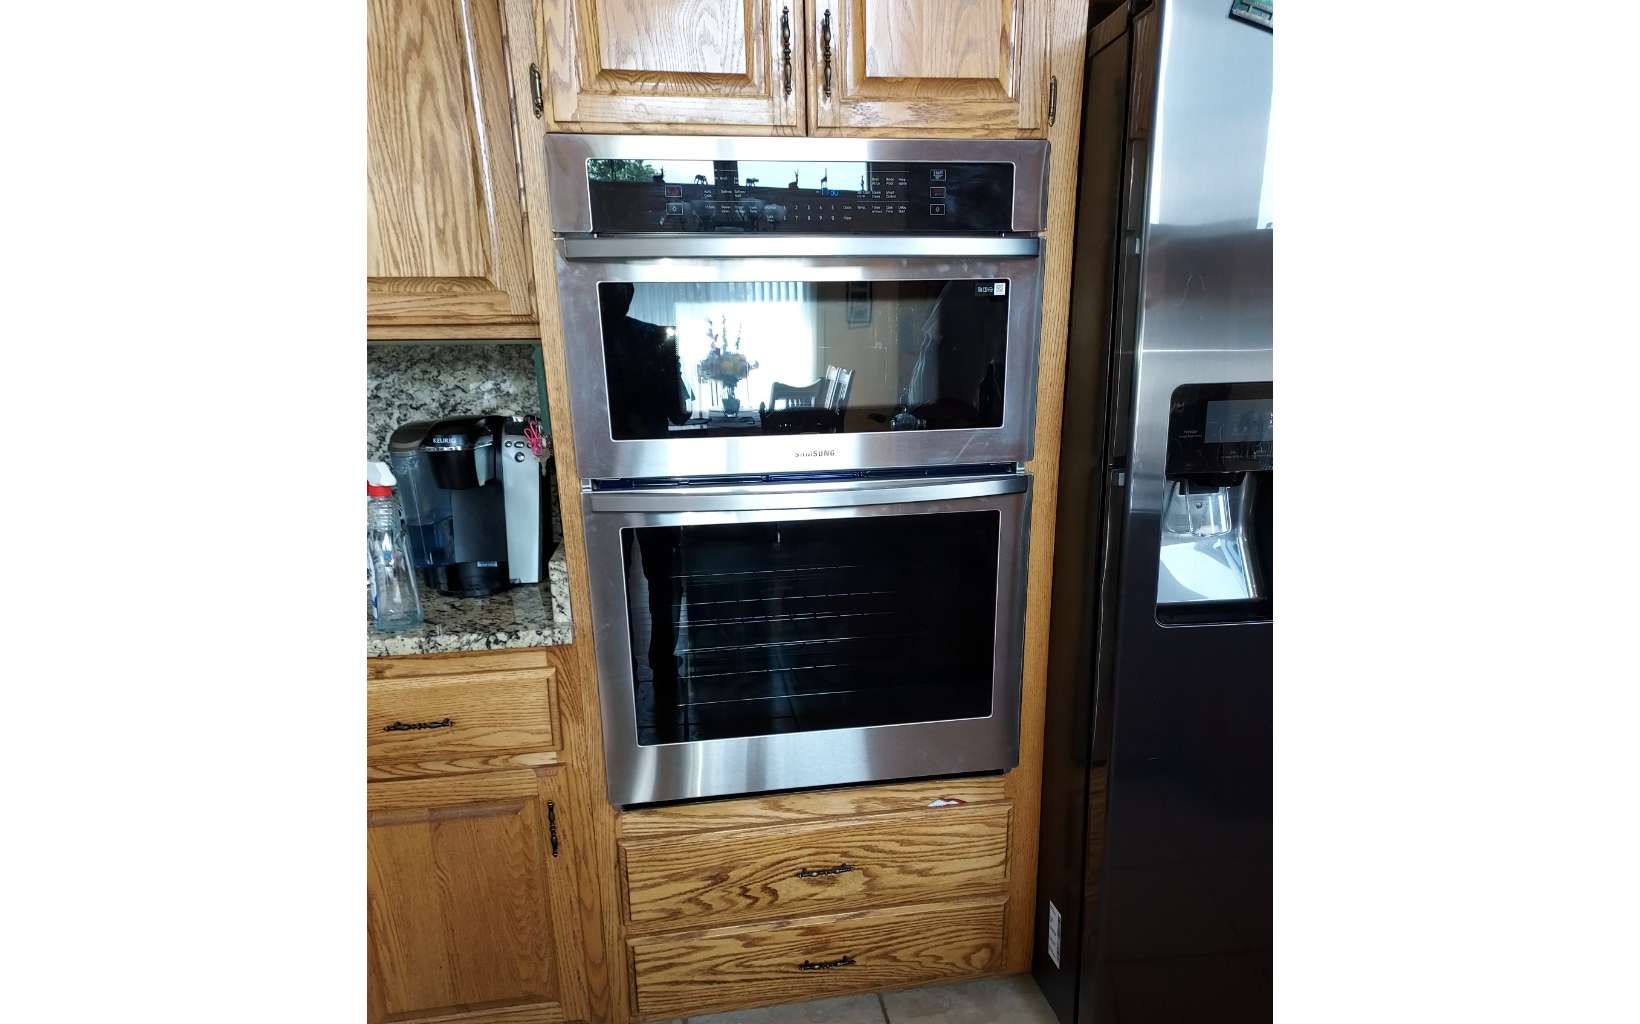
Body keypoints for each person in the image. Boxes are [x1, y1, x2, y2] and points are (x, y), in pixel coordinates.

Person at [601, 282, 692, 439]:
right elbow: (680, 413)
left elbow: (680, 413)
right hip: (649, 444)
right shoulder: (654, 336)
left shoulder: (581, 337)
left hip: (600, 446)